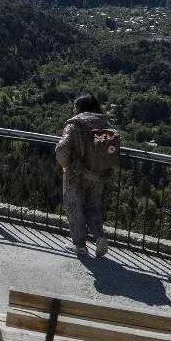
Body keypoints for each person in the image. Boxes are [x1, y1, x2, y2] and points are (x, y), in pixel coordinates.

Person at [56, 94, 118, 259]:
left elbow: (63, 150)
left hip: (75, 175)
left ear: (80, 108)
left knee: (74, 208)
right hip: (98, 176)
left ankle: (80, 246)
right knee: (93, 208)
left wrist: (65, 165)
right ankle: (99, 237)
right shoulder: (106, 124)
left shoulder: (74, 124)